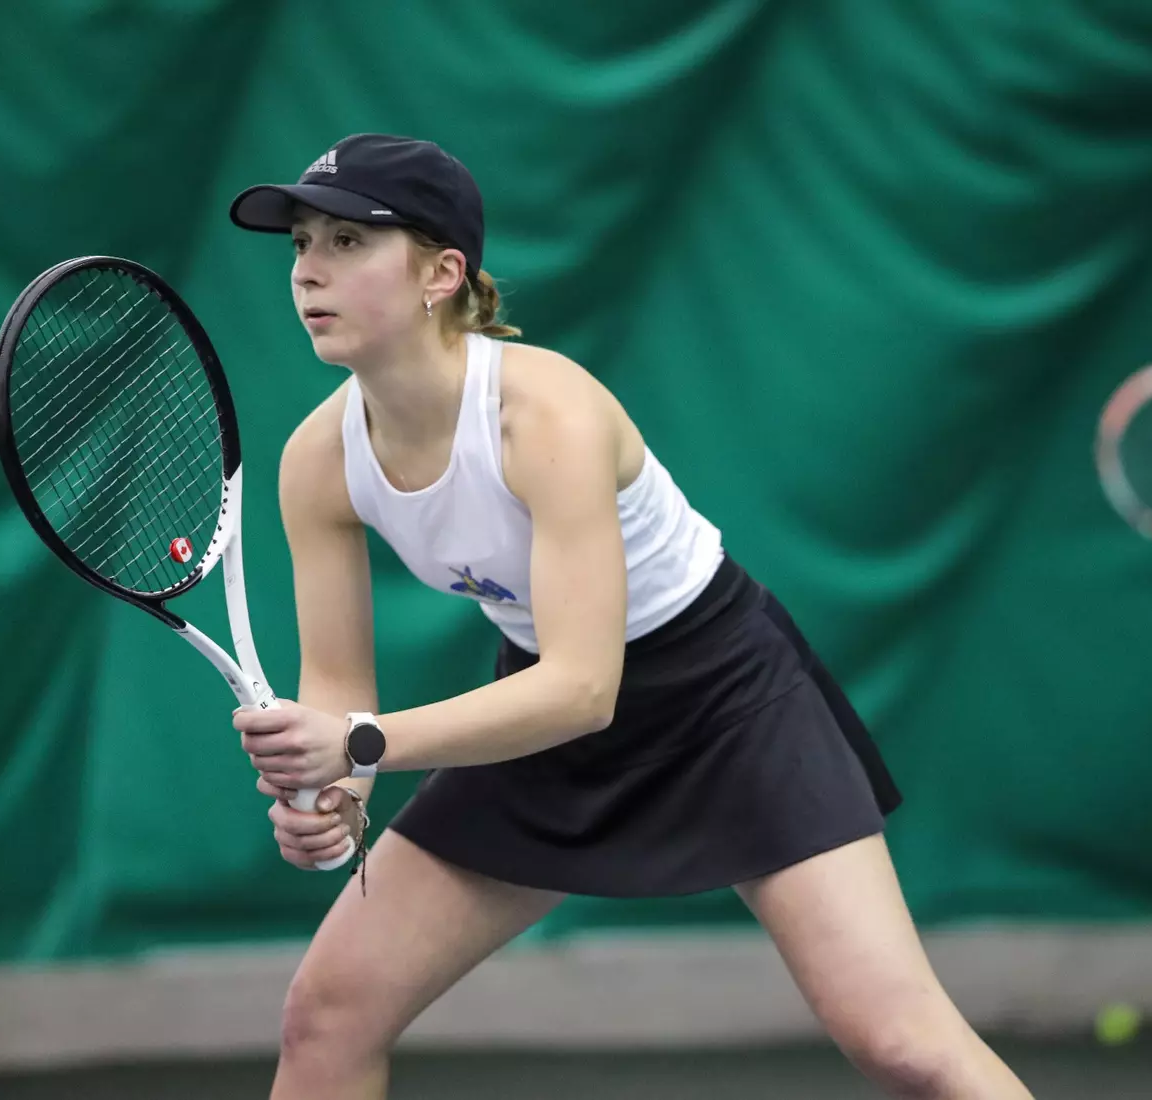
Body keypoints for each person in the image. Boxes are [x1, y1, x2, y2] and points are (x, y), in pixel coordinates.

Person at [226, 132, 1034, 1100]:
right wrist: (333, 801)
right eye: (300, 245)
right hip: (540, 720)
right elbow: (341, 696)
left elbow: (582, 687)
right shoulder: (316, 463)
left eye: (347, 243)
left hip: (726, 699)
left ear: (442, 273)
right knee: (326, 1013)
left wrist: (358, 747)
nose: (308, 271)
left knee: (903, 1042)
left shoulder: (549, 415)